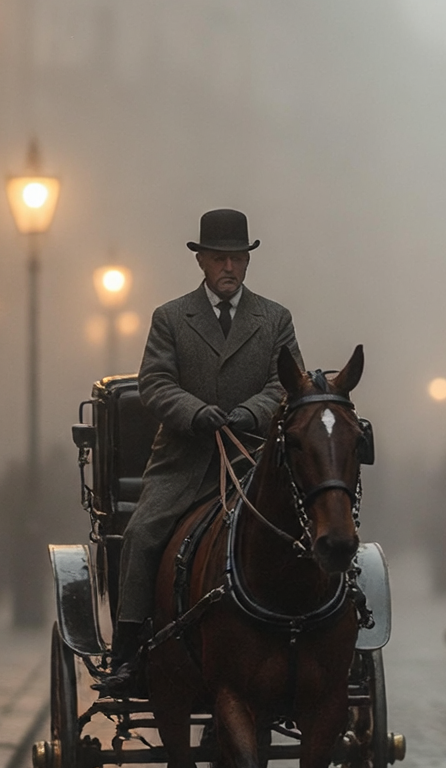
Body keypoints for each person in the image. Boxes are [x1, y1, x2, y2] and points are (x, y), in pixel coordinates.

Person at [98, 208, 300, 700]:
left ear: (248, 262)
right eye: (218, 258)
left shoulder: (275, 319)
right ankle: (128, 652)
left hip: (254, 460)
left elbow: (285, 382)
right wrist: (195, 412)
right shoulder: (170, 318)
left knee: (305, 529)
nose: (228, 267)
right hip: (184, 461)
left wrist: (251, 413)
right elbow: (155, 382)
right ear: (202, 262)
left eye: (237, 258)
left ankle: (305, 638)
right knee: (144, 533)